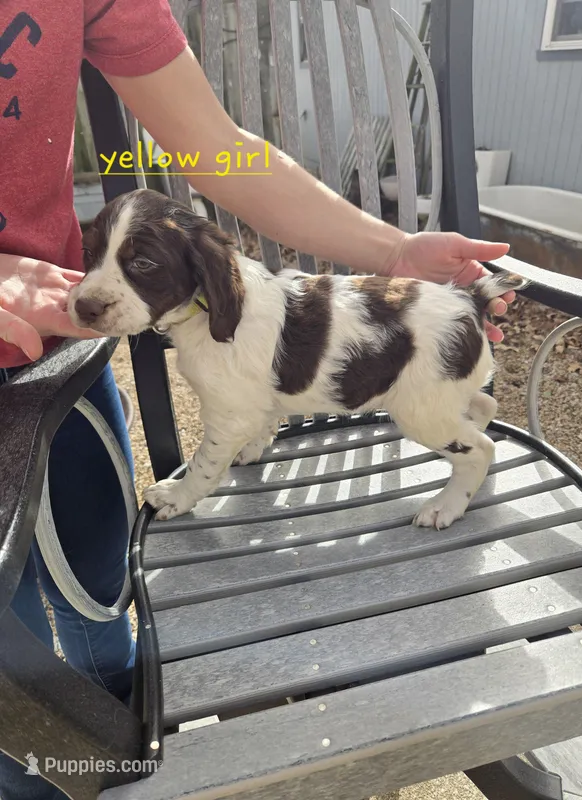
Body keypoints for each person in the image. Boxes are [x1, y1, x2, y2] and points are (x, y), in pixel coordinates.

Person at [0, 1, 514, 797]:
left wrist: (398, 250)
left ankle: (111, 762)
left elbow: (219, 153)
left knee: (97, 612)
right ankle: (48, 775)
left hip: (55, 363)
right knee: (19, 687)